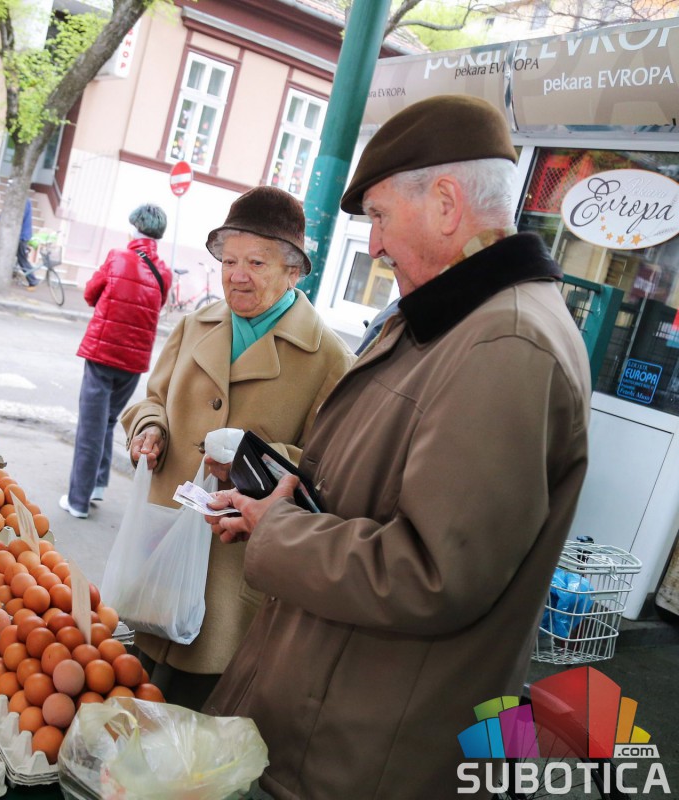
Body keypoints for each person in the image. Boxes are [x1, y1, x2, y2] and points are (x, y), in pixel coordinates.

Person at [204, 95, 591, 798]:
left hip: (367, 750)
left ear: (445, 203)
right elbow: (387, 484)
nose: (374, 246)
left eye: (380, 217)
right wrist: (283, 488)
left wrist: (279, 531)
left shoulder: (507, 342)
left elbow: (434, 575)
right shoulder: (456, 317)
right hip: (336, 714)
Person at [121, 187, 354, 709]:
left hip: (231, 572)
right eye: (229, 261)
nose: (237, 275)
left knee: (194, 717)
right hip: (163, 552)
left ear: (293, 271)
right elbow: (153, 400)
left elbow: (329, 471)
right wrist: (149, 428)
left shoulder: (330, 361)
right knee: (131, 695)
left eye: (256, 262)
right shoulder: (194, 325)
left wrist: (255, 460)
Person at [59, 204, 172, 519]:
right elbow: (157, 304)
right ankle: (97, 484)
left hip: (102, 354)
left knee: (90, 428)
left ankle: (78, 501)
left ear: (134, 228)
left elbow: (90, 293)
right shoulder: (164, 272)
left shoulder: (117, 257)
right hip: (134, 360)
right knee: (108, 422)